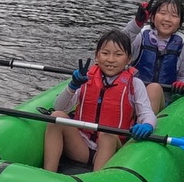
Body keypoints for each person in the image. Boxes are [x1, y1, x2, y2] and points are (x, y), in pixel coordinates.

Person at [43, 29, 156, 173]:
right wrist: (72, 86)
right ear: (97, 55)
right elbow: (59, 107)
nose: (110, 59)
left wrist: (147, 125)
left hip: (113, 150)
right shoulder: (85, 78)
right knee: (56, 117)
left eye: (118, 54)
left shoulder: (135, 84)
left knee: (107, 134)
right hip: (82, 146)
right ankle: (48, 173)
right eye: (105, 53)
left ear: (128, 59)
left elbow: (147, 112)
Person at [122, 0, 184, 112]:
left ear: (180, 23)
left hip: (163, 100)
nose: (167, 19)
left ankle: (147, 122)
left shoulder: (183, 45)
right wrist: (136, 24)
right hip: (134, 95)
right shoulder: (140, 36)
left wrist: (183, 83)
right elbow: (119, 44)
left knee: (154, 89)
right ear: (152, 17)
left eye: (174, 15)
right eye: (162, 13)